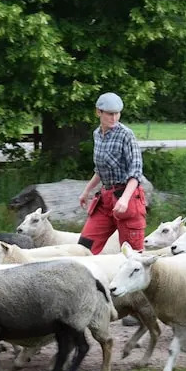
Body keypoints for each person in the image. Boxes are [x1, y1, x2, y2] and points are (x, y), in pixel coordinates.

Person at [78, 91, 147, 254]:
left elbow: (136, 171)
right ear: (98, 112)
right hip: (105, 199)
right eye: (110, 114)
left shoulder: (126, 134)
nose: (114, 118)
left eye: (117, 114)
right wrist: (86, 191)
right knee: (84, 247)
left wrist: (124, 199)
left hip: (128, 198)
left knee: (132, 255)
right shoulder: (97, 134)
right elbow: (100, 170)